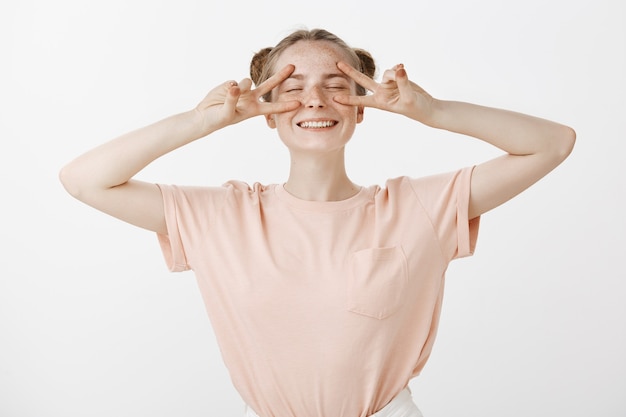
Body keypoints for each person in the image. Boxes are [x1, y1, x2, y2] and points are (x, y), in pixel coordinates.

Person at [59, 28, 575, 417]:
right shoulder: (222, 215)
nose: (315, 100)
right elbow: (84, 181)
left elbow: (553, 144)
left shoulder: (417, 206)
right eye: (292, 87)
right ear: (265, 109)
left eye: (337, 85)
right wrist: (201, 121)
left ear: (362, 108)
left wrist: (434, 112)